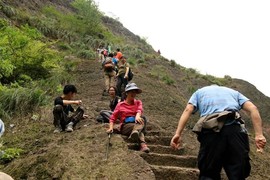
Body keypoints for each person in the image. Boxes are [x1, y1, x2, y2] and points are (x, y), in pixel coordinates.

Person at [170, 85, 267, 180]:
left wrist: (178, 134)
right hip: (235, 130)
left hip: (211, 131)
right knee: (238, 174)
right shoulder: (234, 93)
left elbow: (188, 109)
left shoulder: (199, 93)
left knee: (208, 173)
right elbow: (253, 109)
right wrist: (259, 135)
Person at [106, 83, 150, 153]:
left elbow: (139, 109)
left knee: (141, 120)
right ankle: (142, 143)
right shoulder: (120, 105)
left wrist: (137, 115)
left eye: (135, 92)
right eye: (131, 92)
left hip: (136, 123)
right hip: (126, 125)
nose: (133, 94)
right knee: (140, 125)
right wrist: (111, 128)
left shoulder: (138, 102)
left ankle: (138, 138)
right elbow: (113, 118)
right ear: (127, 93)